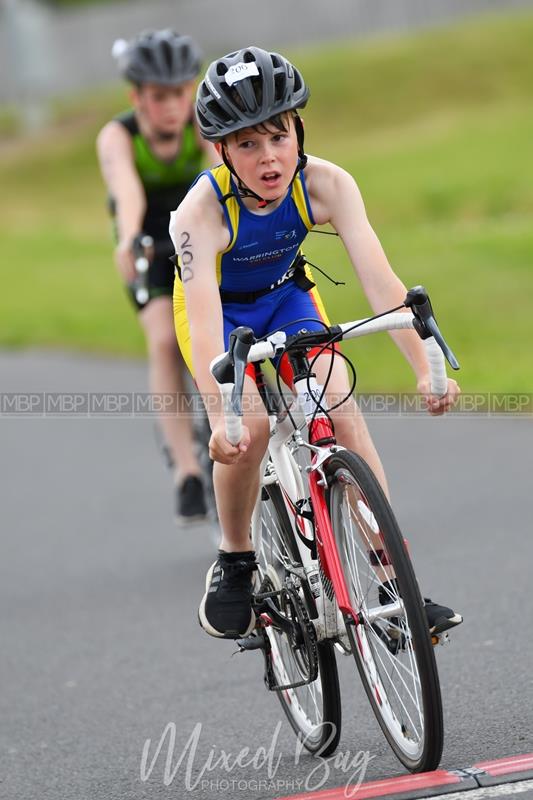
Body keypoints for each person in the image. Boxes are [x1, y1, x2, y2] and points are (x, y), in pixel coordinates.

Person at [170, 46, 464, 637]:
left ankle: (392, 583)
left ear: (298, 129)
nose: (269, 158)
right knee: (248, 430)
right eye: (247, 145)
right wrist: (221, 417)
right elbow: (205, 331)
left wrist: (425, 370)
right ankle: (234, 560)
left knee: (340, 409)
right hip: (221, 319)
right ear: (222, 150)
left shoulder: (327, 183)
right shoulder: (196, 215)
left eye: (278, 137)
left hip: (286, 299)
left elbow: (383, 285)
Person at [96, 30, 219, 522]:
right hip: (147, 241)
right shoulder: (118, 135)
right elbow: (129, 193)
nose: (173, 106)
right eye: (159, 96)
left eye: (180, 92)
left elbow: (221, 174)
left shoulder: (201, 123)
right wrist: (128, 239)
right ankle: (187, 469)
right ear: (137, 97)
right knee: (166, 339)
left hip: (197, 232)